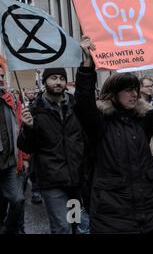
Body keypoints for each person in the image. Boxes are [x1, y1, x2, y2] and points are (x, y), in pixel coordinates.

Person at [74, 36, 153, 234]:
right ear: (113, 93)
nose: (134, 95)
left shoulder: (142, 120)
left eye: (136, 91)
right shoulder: (99, 123)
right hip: (112, 217)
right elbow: (82, 105)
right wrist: (87, 66)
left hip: (148, 214)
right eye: (128, 90)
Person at [18, 68, 89, 234]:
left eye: (61, 78)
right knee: (62, 228)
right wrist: (28, 129)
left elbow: (86, 138)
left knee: (76, 224)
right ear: (44, 82)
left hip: (76, 179)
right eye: (53, 78)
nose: (58, 82)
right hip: (52, 181)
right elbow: (25, 146)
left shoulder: (76, 107)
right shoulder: (34, 110)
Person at [0, 65, 25, 234]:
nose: (1, 79)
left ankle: (9, 229)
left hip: (9, 162)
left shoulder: (11, 99)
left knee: (17, 199)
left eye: (2, 76)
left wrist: (25, 157)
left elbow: (19, 129)